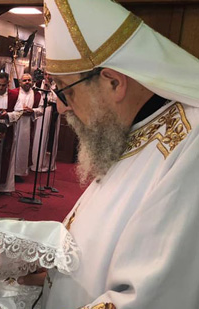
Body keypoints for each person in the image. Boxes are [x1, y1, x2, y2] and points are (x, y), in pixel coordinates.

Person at [17, 0, 199, 308]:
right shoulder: (127, 129)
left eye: (65, 90)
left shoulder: (191, 143)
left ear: (113, 82)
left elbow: (147, 298)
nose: (61, 106)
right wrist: (58, 274)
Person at [12, 73, 41, 182]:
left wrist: (32, 110)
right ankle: (10, 172)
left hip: (27, 125)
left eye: (29, 80)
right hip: (15, 123)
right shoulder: (14, 93)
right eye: (24, 80)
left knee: (23, 148)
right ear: (20, 82)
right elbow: (9, 106)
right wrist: (20, 110)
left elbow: (41, 109)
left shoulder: (37, 95)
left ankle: (18, 172)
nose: (27, 82)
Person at [30, 72, 60, 172]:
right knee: (40, 137)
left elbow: (59, 99)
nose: (47, 77)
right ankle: (37, 164)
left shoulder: (58, 85)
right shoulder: (38, 85)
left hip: (54, 112)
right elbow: (36, 97)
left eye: (50, 74)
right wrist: (45, 89)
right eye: (46, 74)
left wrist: (50, 90)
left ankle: (49, 164)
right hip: (42, 112)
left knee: (52, 137)